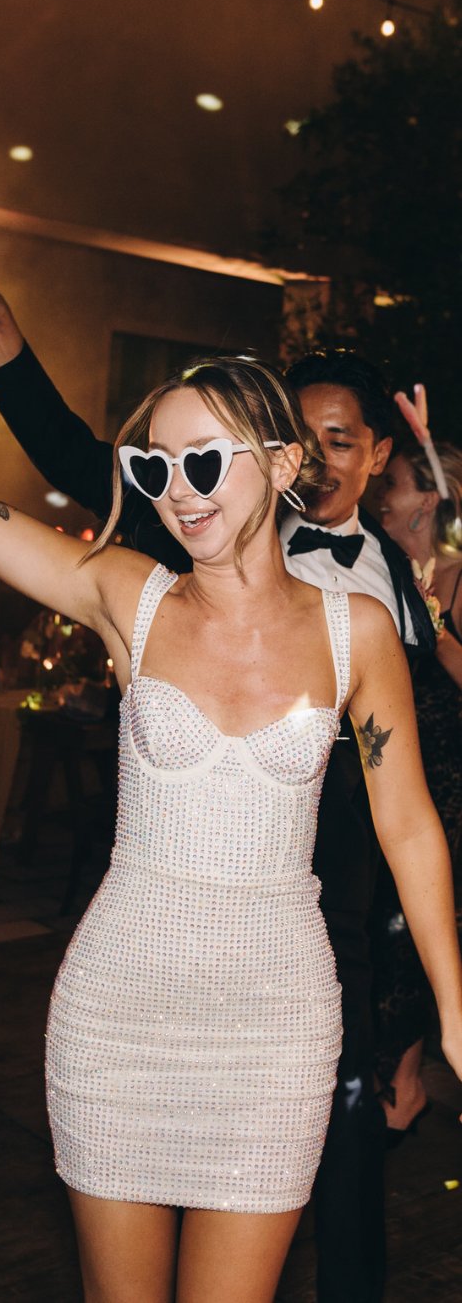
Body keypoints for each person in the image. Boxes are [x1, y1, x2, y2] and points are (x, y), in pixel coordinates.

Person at [0, 293, 462, 1303]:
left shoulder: (360, 631)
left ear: (284, 463)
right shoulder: (130, 594)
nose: (179, 491)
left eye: (204, 460)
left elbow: (407, 823)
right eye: (154, 468)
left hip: (277, 1025)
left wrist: (454, 1011)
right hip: (120, 1009)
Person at [373, 428, 462, 1138]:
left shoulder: (456, 577)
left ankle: (404, 1088)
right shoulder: (384, 570)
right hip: (399, 789)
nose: (380, 496)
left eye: (394, 482)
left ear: (427, 498)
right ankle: (399, 1085)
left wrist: (433, 628)